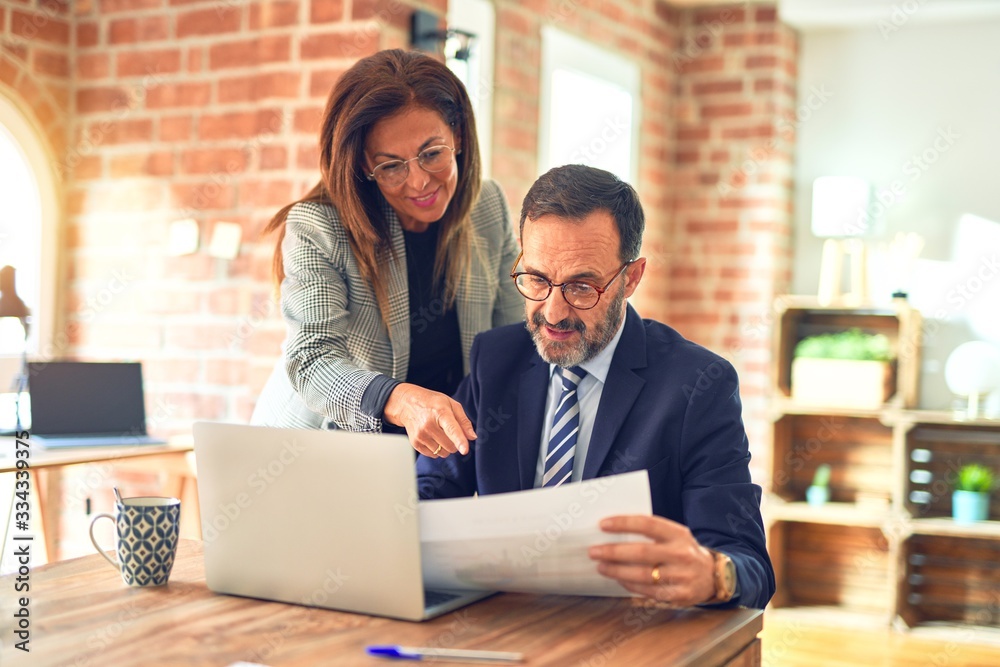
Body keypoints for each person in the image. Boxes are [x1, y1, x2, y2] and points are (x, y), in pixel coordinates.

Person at [416, 164, 774, 609]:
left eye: (582, 286)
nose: (552, 312)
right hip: (505, 627)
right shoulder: (497, 359)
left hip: (630, 636)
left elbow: (750, 565)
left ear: (631, 278)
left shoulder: (698, 386)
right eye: (537, 279)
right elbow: (427, 494)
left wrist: (714, 575)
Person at [251, 49, 522, 458]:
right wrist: (398, 399)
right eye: (392, 166)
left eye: (432, 153)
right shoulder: (319, 226)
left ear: (459, 135)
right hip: (317, 449)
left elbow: (512, 340)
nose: (419, 182)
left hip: (440, 457)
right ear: (362, 165)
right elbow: (311, 358)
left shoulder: (488, 205)